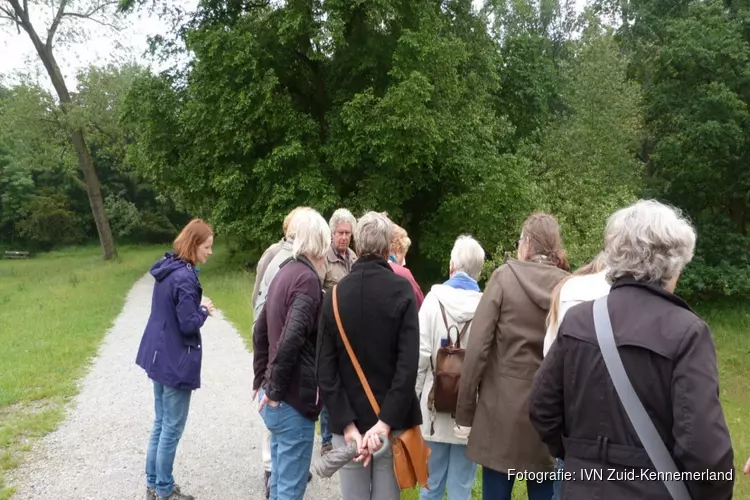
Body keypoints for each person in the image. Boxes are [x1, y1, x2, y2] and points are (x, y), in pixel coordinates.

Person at [530, 200, 735, 500]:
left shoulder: (578, 321)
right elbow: (704, 450)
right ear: (674, 263)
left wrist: (582, 455)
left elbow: (540, 407)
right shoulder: (688, 332)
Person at [455, 212, 569, 500]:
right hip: (547, 412)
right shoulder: (567, 286)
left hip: (499, 413)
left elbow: (478, 347)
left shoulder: (503, 278)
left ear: (527, 243)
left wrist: (465, 414)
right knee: (543, 492)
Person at [317, 211, 422, 500]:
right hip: (390, 425)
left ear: (358, 246)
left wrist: (348, 425)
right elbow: (408, 365)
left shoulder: (334, 295)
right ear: (389, 247)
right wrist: (385, 422)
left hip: (348, 426)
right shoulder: (403, 291)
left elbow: (325, 370)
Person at [253, 209, 331, 500]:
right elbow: (292, 339)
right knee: (290, 490)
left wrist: (260, 379)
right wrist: (271, 387)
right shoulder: (307, 280)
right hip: (292, 401)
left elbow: (260, 329)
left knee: (279, 486)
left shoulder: (284, 270)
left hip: (277, 399)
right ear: (320, 242)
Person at [135, 219, 216, 500]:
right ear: (194, 245)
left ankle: (154, 484)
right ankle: (165, 490)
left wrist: (197, 306)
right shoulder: (184, 277)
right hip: (175, 360)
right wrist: (203, 310)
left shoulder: (168, 267)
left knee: (161, 423)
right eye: (207, 247)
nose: (209, 252)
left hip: (158, 356)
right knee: (171, 427)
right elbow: (188, 323)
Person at [415, 235, 485, 500]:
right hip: (469, 411)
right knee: (461, 490)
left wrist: (413, 402)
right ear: (478, 270)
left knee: (430, 487)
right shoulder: (487, 306)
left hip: (433, 407)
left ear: (452, 264)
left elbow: (420, 358)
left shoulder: (432, 302)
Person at [542, 252, 609, 500]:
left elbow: (549, 360)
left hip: (575, 422)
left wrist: (560, 442)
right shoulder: (639, 297)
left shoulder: (567, 289)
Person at [319, 208, 358, 456]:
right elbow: (317, 292)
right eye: (340, 232)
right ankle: (325, 440)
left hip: (352, 330)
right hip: (331, 329)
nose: (344, 237)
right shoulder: (324, 259)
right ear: (332, 233)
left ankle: (347, 427)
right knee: (329, 383)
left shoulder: (354, 258)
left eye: (347, 233)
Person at [388, 223, 425, 308]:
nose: (404, 261)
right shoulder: (402, 273)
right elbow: (421, 305)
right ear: (397, 250)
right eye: (403, 254)